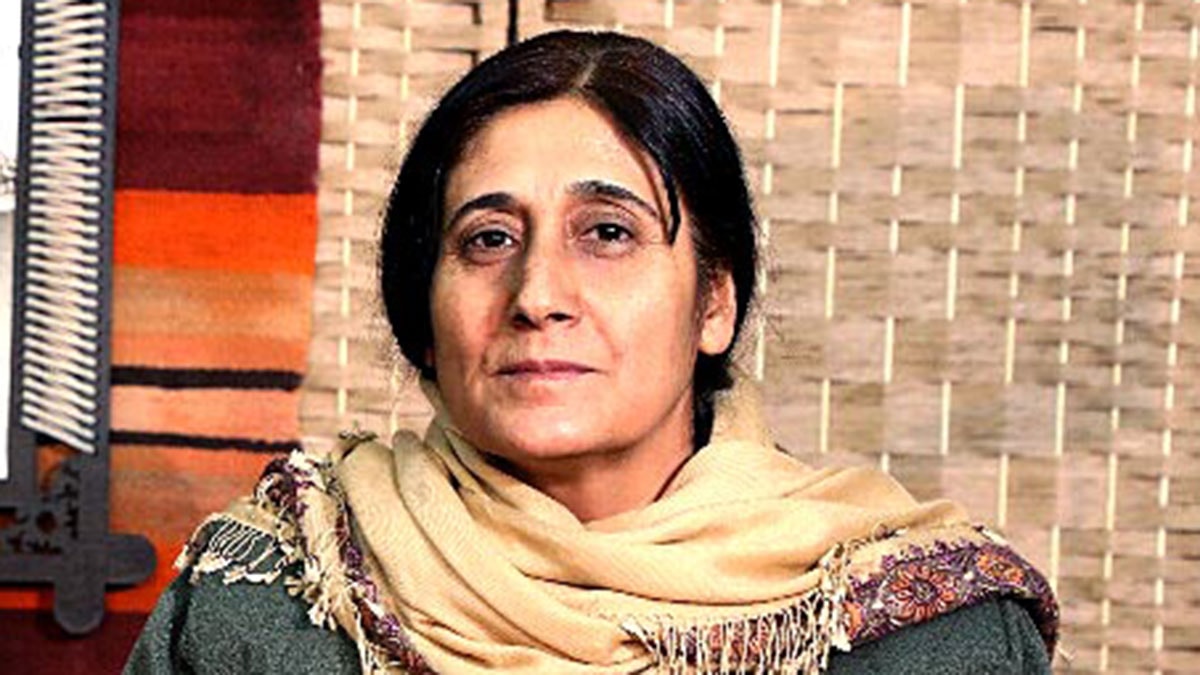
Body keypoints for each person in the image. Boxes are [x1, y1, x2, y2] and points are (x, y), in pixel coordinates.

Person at [125, 31, 1058, 674]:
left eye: (608, 232)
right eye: (488, 239)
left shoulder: (929, 638)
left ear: (715, 300)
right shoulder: (266, 603)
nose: (537, 296)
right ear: (424, 313)